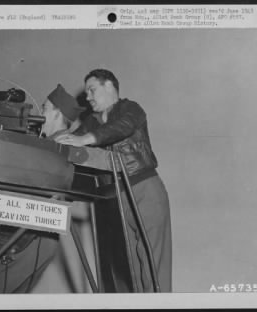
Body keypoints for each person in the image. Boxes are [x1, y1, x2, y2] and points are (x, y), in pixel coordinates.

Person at [55, 69, 172, 292]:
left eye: (92, 90)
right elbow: (72, 145)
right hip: (118, 195)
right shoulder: (92, 121)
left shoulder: (130, 109)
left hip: (144, 187)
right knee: (134, 266)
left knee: (154, 263)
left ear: (109, 85)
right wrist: (57, 140)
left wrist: (85, 139)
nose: (88, 97)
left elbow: (122, 127)